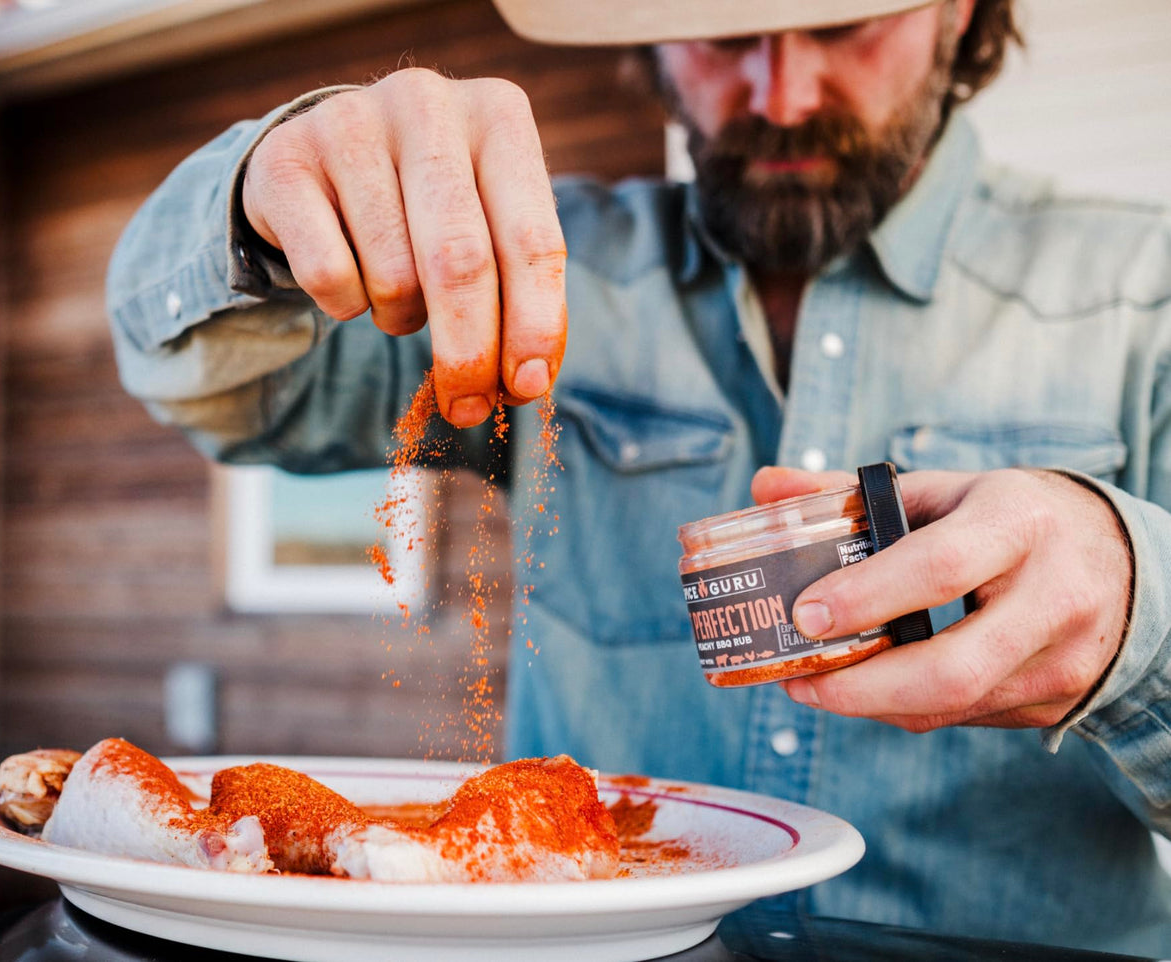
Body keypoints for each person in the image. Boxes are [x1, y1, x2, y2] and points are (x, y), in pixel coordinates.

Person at [105, 0, 1171, 951]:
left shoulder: (1143, 295)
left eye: (844, 25)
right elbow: (231, 396)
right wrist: (261, 204)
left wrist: (1137, 614)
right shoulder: (529, 269)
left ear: (960, 12)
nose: (783, 95)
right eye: (723, 32)